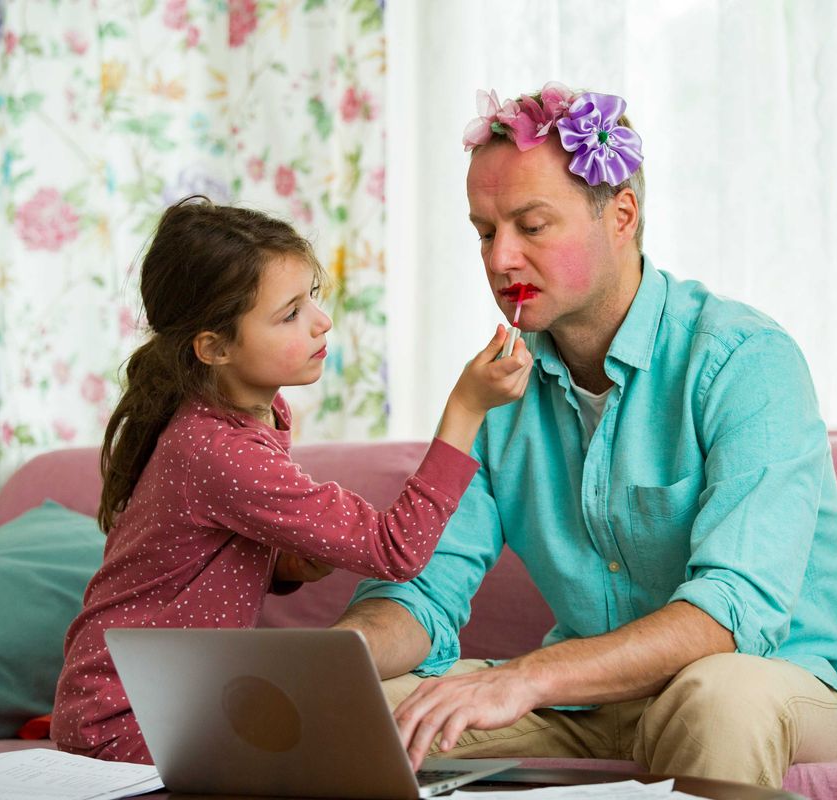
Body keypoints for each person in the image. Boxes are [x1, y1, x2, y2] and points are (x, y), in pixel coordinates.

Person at [333, 83, 837, 788]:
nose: (499, 260)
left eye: (531, 225)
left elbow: (731, 614)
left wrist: (528, 676)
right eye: (484, 231)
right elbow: (427, 593)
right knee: (362, 719)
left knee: (719, 698)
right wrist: (331, 661)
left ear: (620, 216)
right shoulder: (498, 390)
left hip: (772, 683)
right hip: (588, 699)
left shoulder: (746, 360)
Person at [50, 197, 532, 764]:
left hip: (162, 702)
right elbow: (395, 551)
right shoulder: (218, 450)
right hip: (127, 716)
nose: (321, 322)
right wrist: (467, 408)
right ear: (214, 348)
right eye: (289, 315)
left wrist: (282, 564)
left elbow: (192, 556)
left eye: (313, 298)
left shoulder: (246, 415)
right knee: (339, 754)